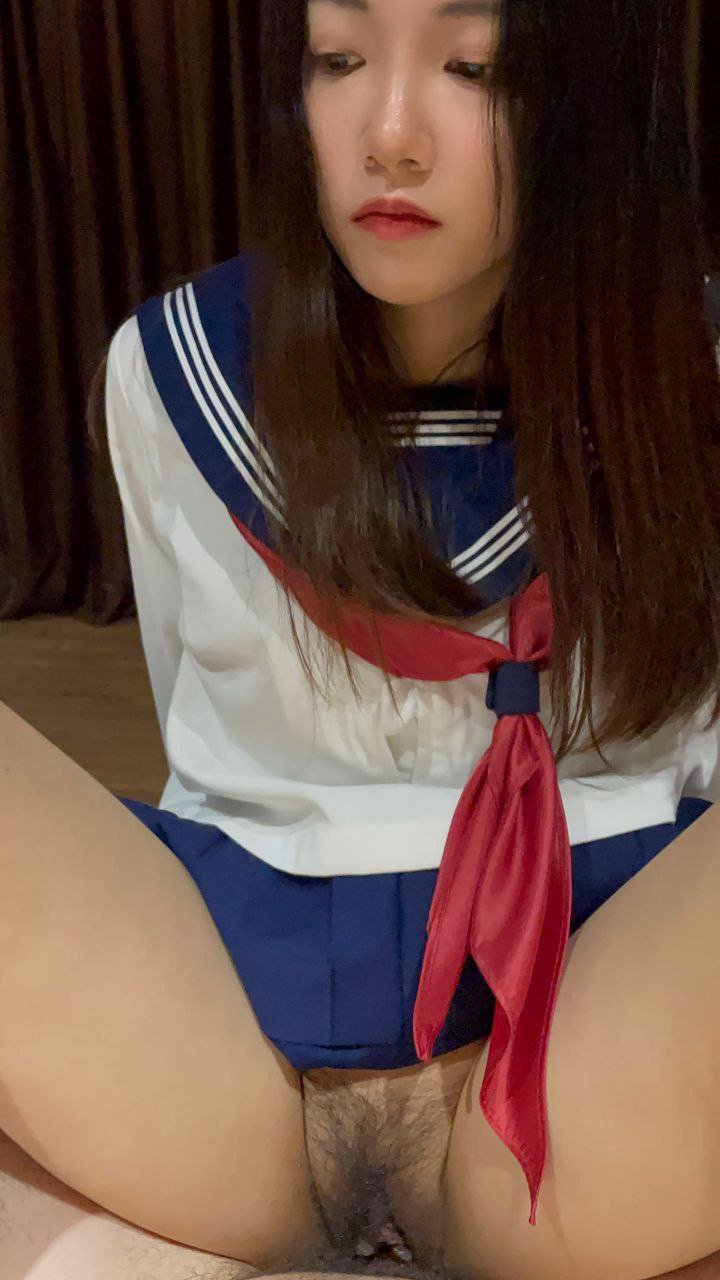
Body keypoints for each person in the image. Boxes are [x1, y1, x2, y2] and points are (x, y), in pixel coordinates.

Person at [2, 0, 720, 1274]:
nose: (387, 133)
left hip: (586, 1065)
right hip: (226, 1051)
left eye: (473, 67)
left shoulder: (687, 375)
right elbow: (206, 738)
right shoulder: (168, 372)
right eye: (338, 59)